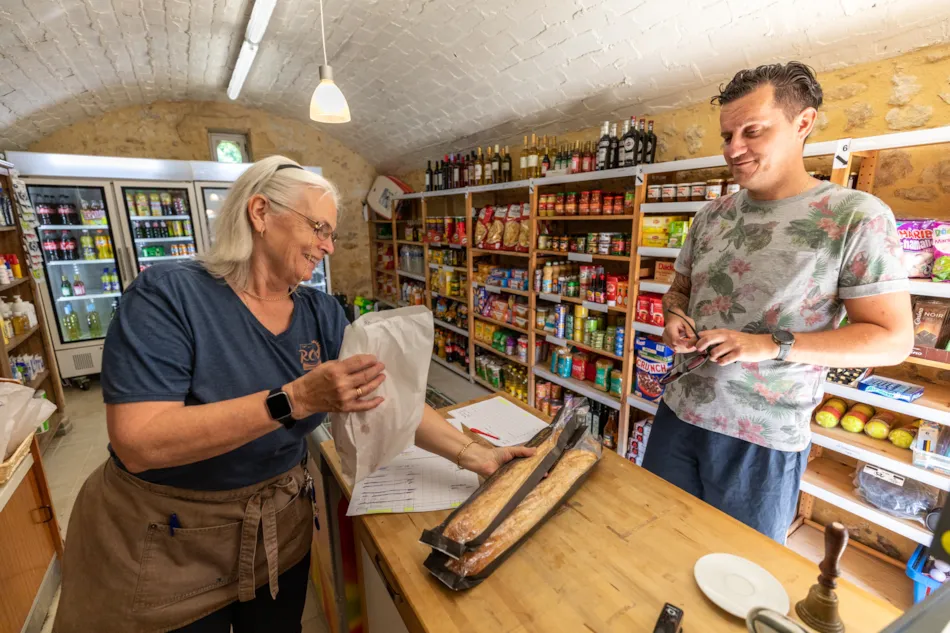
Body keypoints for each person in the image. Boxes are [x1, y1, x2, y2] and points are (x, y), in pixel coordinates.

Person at [53, 156, 532, 632]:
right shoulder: (168, 296)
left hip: (275, 536)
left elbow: (388, 398)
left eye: (332, 234)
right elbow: (139, 443)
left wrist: (474, 454)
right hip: (165, 544)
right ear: (260, 213)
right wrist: (296, 399)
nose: (327, 246)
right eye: (319, 228)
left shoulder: (319, 312)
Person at [641, 62, 914, 543]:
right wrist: (674, 318)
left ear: (803, 123)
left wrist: (771, 345)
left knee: (739, 576)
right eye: (727, 136)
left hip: (762, 437)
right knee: (656, 543)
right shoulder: (712, 215)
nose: (733, 149)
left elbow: (891, 341)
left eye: (752, 131)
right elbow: (681, 289)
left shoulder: (856, 216)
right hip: (678, 412)